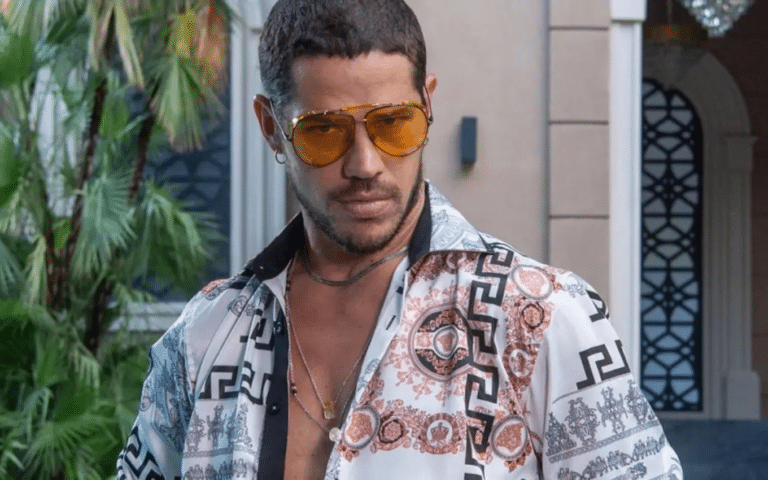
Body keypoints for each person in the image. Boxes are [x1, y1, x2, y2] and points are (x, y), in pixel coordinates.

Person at [117, 0, 683, 478]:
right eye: (324, 131)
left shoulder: (540, 319)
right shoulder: (205, 340)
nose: (365, 165)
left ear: (428, 106)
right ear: (271, 128)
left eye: (394, 124)